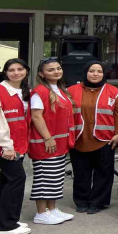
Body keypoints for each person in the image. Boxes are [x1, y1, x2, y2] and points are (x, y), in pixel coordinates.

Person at [67, 61, 118, 214]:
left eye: (99, 71)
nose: (95, 74)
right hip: (80, 138)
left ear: (104, 74)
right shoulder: (71, 90)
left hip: (105, 139)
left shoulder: (114, 92)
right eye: (92, 71)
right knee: (81, 172)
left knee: (104, 172)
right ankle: (81, 201)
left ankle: (98, 202)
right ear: (86, 72)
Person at [0, 59, 31, 234]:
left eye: (20, 69)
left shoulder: (24, 91)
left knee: (7, 181)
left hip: (18, 144)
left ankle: (6, 219)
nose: (16, 72)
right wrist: (6, 146)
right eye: (11, 70)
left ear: (26, 71)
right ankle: (5, 226)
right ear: (5, 72)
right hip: (5, 146)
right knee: (16, 179)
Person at [29, 58, 76, 224]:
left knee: (55, 177)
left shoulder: (60, 90)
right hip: (46, 143)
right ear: (41, 74)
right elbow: (36, 116)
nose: (56, 71)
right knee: (45, 177)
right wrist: (47, 138)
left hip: (59, 143)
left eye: (58, 68)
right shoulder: (40, 91)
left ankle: (52, 209)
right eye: (50, 70)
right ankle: (41, 213)